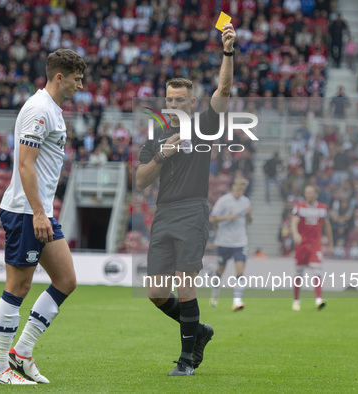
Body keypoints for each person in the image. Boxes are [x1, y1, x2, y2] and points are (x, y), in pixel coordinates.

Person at [136, 22, 236, 376]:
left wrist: (227, 51)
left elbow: (224, 87)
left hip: (193, 210)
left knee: (185, 283)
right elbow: (140, 181)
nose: (175, 103)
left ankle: (186, 360)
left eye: (181, 99)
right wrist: (161, 155)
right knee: (156, 293)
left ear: (192, 103)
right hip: (164, 213)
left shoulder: (206, 125)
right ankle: (200, 332)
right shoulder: (157, 135)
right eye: (170, 99)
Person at [0, 49, 85, 385]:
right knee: (18, 287)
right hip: (27, 212)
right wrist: (39, 213)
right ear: (60, 77)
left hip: (40, 212)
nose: (80, 85)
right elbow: (25, 164)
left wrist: (44, 212)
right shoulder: (39, 110)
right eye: (76, 78)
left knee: (66, 280)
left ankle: (22, 352)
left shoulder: (52, 110)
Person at [209, 177, 252, 310]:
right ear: (233, 187)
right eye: (238, 187)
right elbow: (212, 219)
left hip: (240, 241)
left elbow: (249, 221)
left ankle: (237, 301)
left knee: (240, 270)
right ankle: (215, 293)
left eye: (243, 188)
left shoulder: (246, 201)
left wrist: (249, 215)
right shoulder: (224, 201)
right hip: (224, 241)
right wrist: (228, 217)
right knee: (220, 270)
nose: (240, 190)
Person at [290, 185, 333, 311]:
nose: (307, 195)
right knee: (299, 274)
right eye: (306, 193)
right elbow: (294, 222)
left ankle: (318, 300)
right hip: (301, 245)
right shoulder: (299, 207)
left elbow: (327, 227)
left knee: (317, 271)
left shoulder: (322, 209)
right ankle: (296, 301)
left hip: (315, 245)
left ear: (316, 195)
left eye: (310, 193)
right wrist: (295, 233)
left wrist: (331, 244)